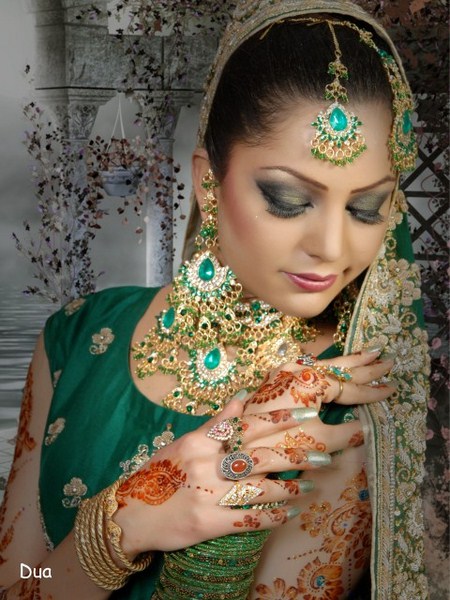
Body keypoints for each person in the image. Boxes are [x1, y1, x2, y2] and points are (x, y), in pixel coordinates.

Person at [0, 1, 429, 598]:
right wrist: (126, 522)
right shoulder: (77, 335)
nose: (331, 247)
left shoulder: (347, 406)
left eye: (366, 207)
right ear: (208, 181)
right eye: (288, 200)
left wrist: (225, 534)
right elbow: (19, 581)